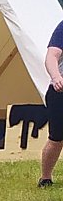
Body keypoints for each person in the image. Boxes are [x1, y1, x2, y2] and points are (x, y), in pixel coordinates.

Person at [38, 18, 63, 187]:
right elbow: (51, 56)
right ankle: (45, 178)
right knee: (56, 139)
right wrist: (56, 77)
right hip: (60, 92)